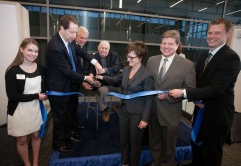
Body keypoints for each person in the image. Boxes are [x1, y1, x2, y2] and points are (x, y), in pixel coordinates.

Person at [169, 18, 241, 166]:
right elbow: (198, 83)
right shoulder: (204, 56)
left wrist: (184, 93)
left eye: (217, 33)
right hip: (200, 110)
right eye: (209, 32)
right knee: (196, 145)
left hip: (217, 115)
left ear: (227, 35)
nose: (211, 36)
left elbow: (216, 89)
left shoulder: (230, 57)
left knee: (210, 154)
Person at [45, 15, 102, 153]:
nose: (74, 35)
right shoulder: (55, 46)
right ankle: (58, 144)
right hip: (59, 88)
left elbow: (81, 51)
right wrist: (85, 78)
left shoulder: (69, 41)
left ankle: (68, 135)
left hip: (69, 86)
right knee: (60, 118)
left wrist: (95, 62)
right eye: (71, 32)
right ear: (61, 29)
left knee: (69, 114)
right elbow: (66, 71)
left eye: (75, 32)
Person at [96, 41, 154, 166]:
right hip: (123, 110)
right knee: (124, 141)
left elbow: (149, 99)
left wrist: (145, 119)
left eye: (131, 57)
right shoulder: (127, 69)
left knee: (135, 143)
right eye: (127, 56)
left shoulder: (147, 75)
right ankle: (124, 163)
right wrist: (100, 77)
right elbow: (116, 79)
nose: (128, 60)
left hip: (137, 114)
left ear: (140, 58)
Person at [146, 30, 196, 166]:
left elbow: (190, 89)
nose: (166, 46)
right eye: (163, 43)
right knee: (154, 143)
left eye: (170, 44)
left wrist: (170, 95)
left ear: (177, 45)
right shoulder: (151, 61)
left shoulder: (187, 65)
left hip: (171, 113)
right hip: (152, 111)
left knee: (168, 148)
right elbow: (146, 83)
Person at [5, 38, 47, 166]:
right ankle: (27, 163)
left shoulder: (41, 69)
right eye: (30, 50)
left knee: (36, 136)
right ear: (21, 50)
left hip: (35, 109)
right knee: (22, 140)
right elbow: (12, 96)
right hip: (18, 110)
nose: (33, 54)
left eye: (36, 51)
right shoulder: (12, 71)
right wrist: (36, 96)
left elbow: (45, 87)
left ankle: (35, 162)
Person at [90, 40, 121, 122]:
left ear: (109, 49)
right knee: (100, 91)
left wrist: (105, 70)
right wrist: (93, 80)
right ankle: (105, 109)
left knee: (127, 89)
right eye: (102, 48)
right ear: (98, 48)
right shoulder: (93, 58)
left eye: (106, 49)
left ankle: (119, 107)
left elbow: (117, 68)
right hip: (101, 84)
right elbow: (90, 71)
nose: (104, 50)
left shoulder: (114, 55)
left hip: (114, 82)